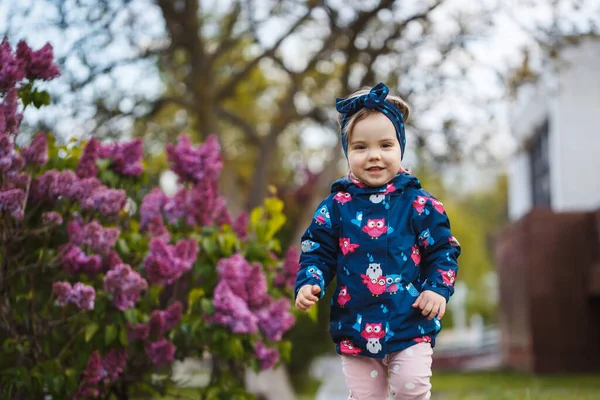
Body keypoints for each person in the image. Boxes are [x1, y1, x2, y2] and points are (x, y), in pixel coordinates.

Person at [294, 82, 461, 400]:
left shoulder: (418, 203)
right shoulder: (337, 207)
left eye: (385, 146)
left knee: (410, 389)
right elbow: (317, 250)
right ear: (347, 151)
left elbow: (443, 249)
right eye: (360, 147)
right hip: (355, 325)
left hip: (410, 321)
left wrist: (436, 288)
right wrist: (309, 281)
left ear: (401, 148)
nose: (374, 156)